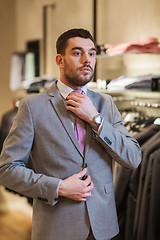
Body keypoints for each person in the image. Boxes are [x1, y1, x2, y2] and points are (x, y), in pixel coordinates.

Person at [0, 28, 141, 240]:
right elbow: (7, 169)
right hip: (56, 229)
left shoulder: (106, 104)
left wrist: (96, 119)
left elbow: (133, 158)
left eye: (92, 53)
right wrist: (59, 187)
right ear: (60, 60)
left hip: (104, 229)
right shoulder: (32, 107)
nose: (87, 60)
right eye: (77, 53)